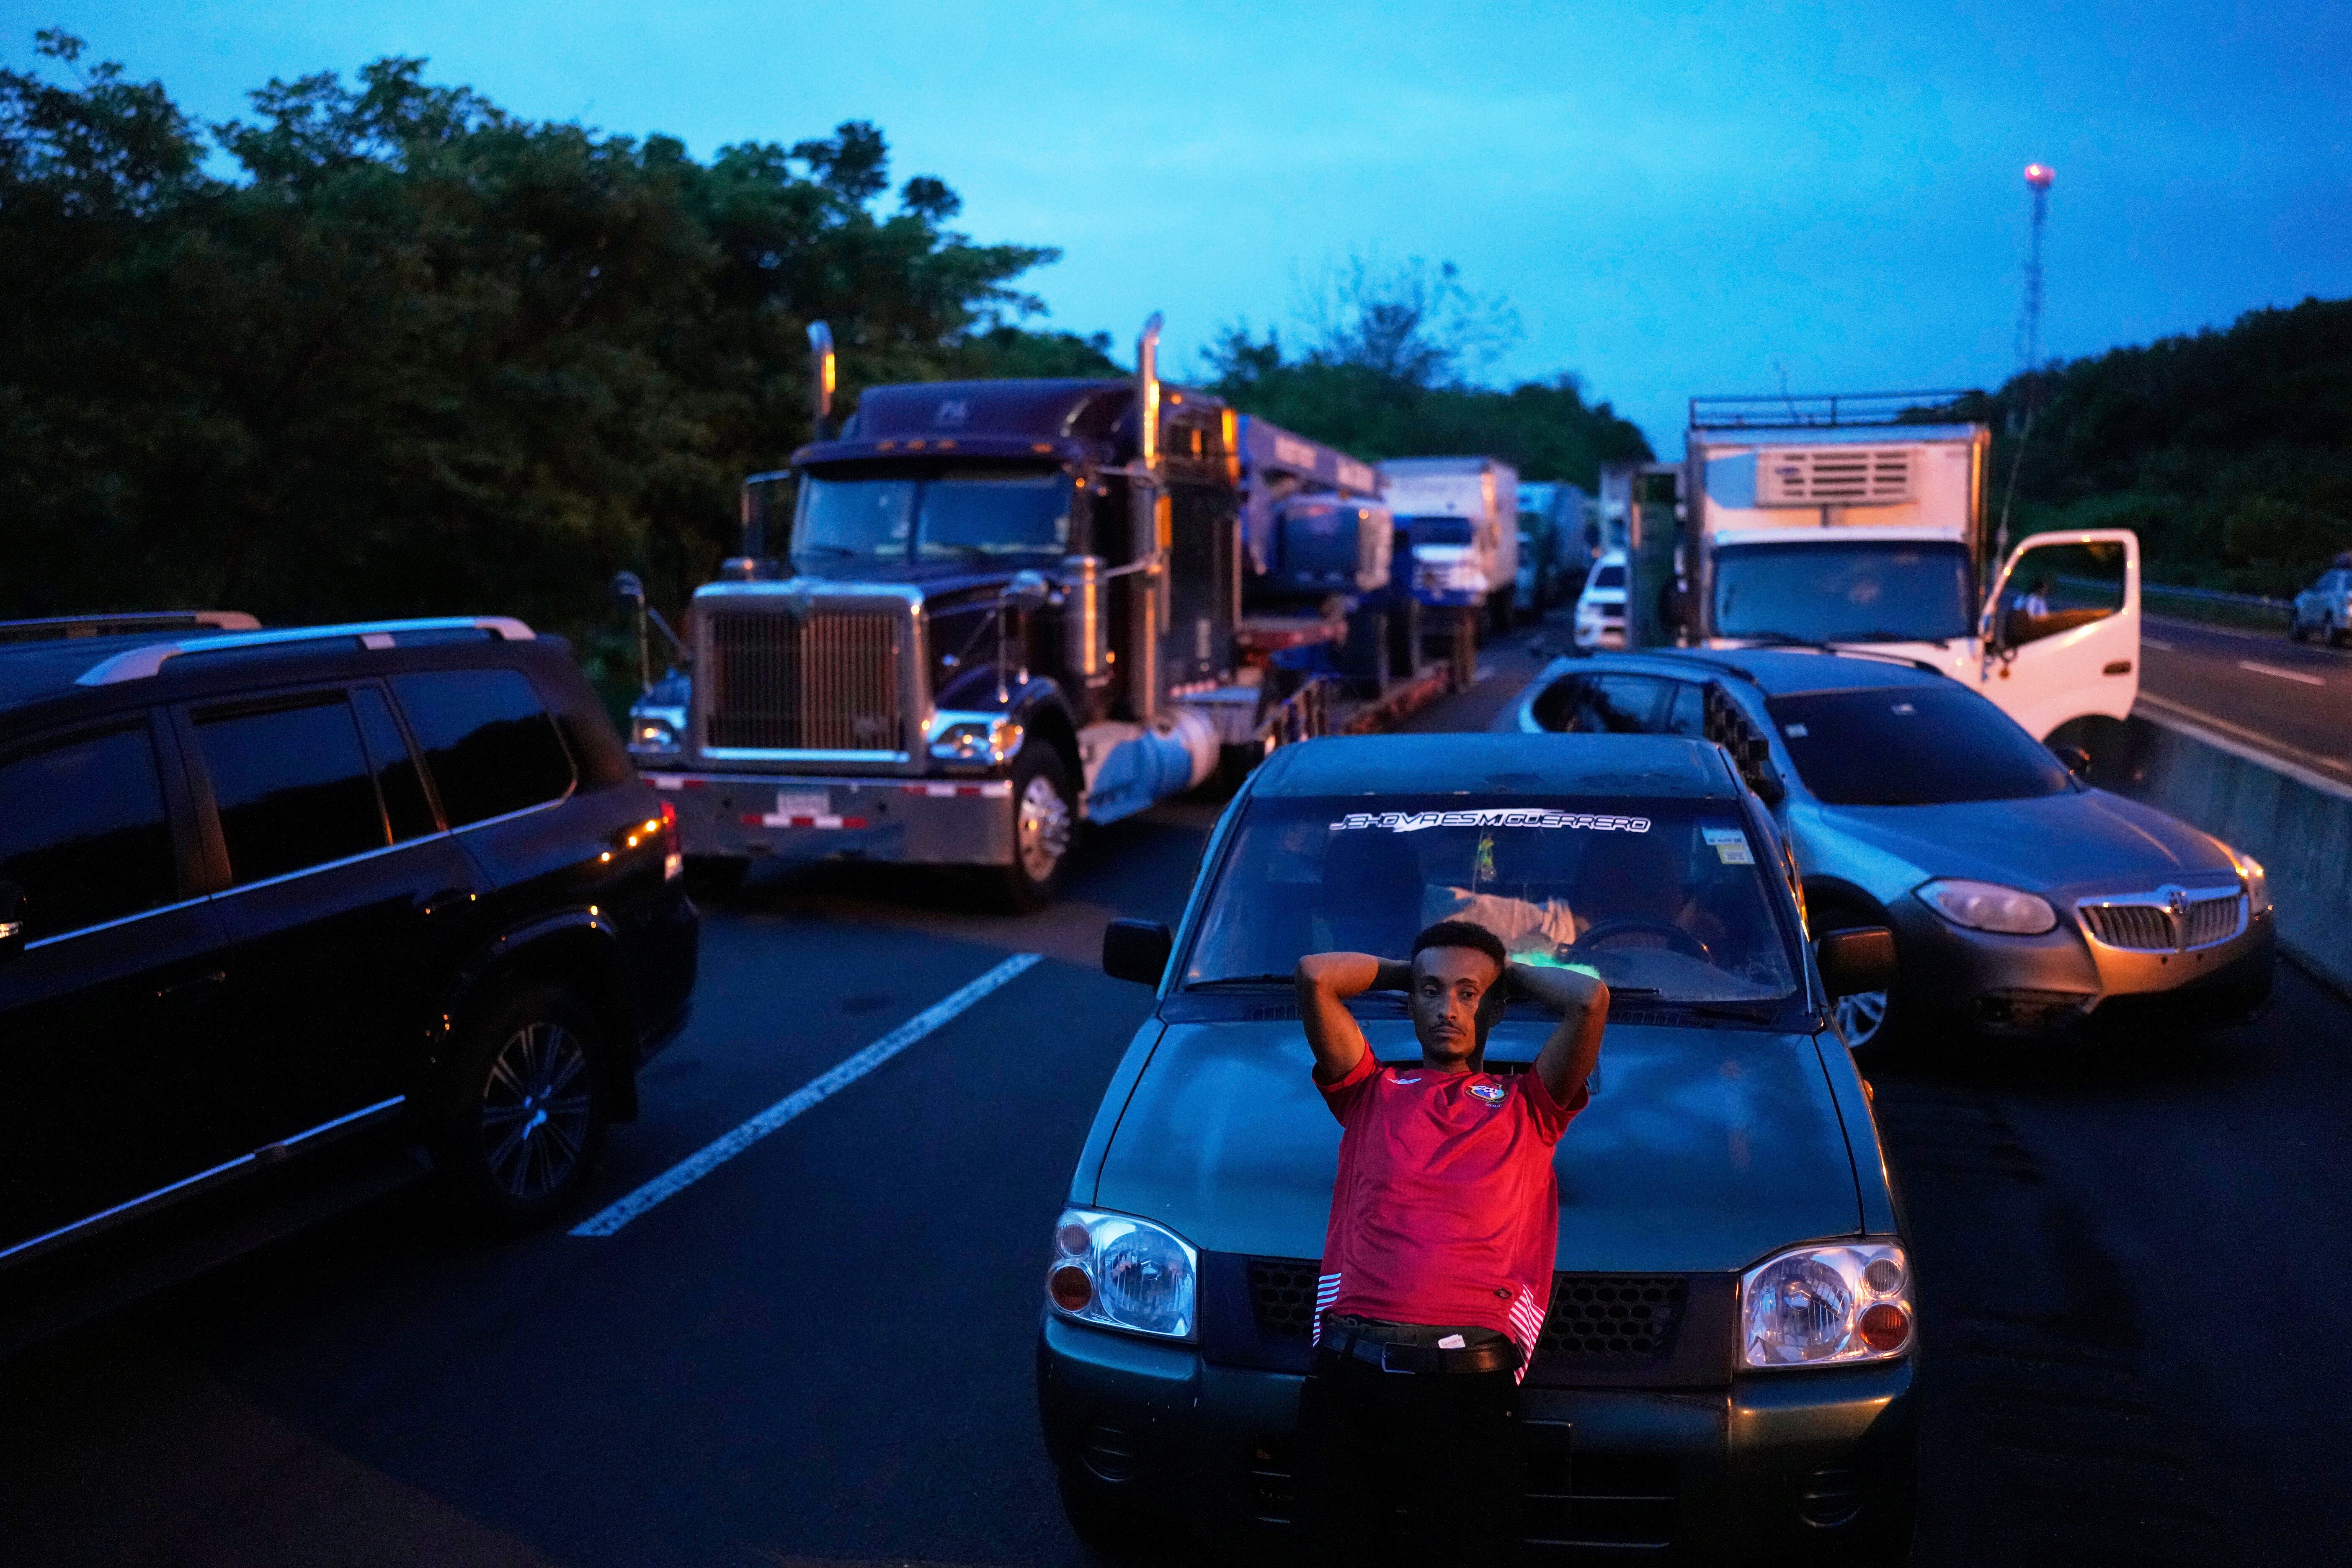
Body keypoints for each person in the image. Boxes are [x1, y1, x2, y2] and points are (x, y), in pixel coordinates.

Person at [1291, 918, 1607, 1567]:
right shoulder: (1370, 1092)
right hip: (1351, 1376)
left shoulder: (1532, 1107)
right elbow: (1317, 977)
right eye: (1431, 993)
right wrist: (1411, 971)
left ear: (1493, 1007)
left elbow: (1589, 1001)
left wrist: (1501, 975)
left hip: (1469, 1392)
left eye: (1468, 996)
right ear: (1409, 1003)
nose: (1447, 1010)